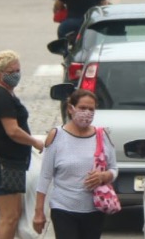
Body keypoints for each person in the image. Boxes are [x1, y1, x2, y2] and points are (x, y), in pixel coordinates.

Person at [33, 89, 117, 239]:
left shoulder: (102, 135)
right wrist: (39, 212)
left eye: (91, 109)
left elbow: (114, 169)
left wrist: (104, 176)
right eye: (82, 108)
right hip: (63, 208)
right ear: (71, 108)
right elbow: (45, 176)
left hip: (94, 209)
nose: (87, 113)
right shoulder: (57, 136)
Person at [0, 50, 44, 239]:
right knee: (8, 216)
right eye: (11, 71)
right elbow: (13, 130)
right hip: (1, 162)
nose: (16, 74)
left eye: (18, 70)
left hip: (11, 162)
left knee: (14, 214)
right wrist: (35, 142)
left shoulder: (5, 93)